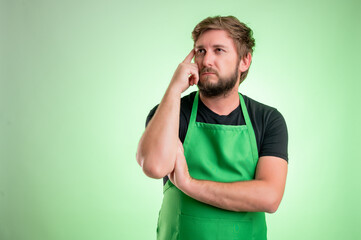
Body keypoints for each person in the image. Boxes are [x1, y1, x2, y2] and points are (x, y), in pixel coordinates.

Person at [136, 15, 288, 240]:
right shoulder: (171, 112)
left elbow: (269, 197)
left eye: (218, 50)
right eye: (200, 51)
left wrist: (189, 184)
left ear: (244, 61)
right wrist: (174, 89)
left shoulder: (268, 119)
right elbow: (154, 167)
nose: (207, 60)